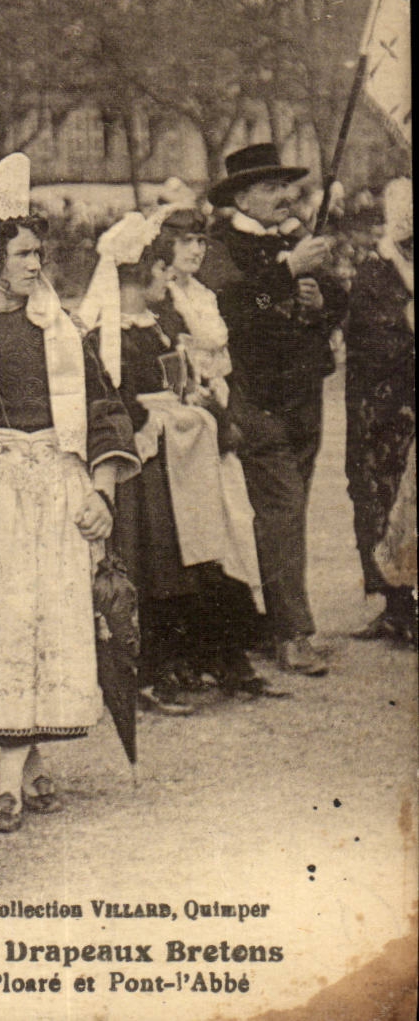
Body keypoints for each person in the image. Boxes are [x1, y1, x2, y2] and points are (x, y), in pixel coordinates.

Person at [0, 153, 139, 834]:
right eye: (23, 254)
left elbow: (107, 411)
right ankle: (12, 765)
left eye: (39, 254)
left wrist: (102, 491)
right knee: (6, 620)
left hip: (57, 487)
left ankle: (18, 766)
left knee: (51, 617)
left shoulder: (61, 330)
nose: (35, 266)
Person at [81, 207, 275, 714]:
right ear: (141, 273)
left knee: (196, 556)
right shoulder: (106, 333)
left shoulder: (158, 324)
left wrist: (191, 401)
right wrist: (156, 414)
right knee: (151, 561)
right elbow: (109, 400)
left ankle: (199, 658)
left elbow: (177, 382)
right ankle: (145, 671)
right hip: (143, 466)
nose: (170, 278)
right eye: (162, 271)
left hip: (180, 462)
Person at [201, 143, 348, 675]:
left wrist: (320, 303)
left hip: (304, 391)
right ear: (241, 196)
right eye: (270, 187)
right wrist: (288, 273)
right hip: (256, 396)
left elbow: (336, 296)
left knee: (293, 509)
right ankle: (290, 634)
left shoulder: (294, 238)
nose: (285, 197)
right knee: (281, 509)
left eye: (286, 186)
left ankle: (285, 622)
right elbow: (235, 310)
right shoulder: (220, 246)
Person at [344, 177, 415, 646]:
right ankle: (396, 602)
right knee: (381, 495)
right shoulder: (376, 270)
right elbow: (372, 338)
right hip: (386, 406)